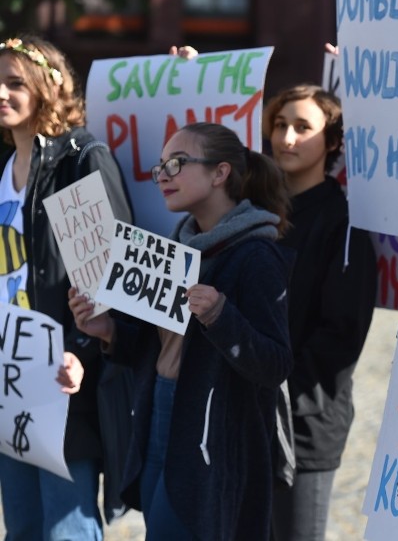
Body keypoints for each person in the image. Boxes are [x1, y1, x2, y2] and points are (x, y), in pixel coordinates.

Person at [68, 122, 294, 539]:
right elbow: (161, 348)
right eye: (159, 168)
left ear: (220, 172)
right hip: (159, 418)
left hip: (212, 438)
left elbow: (275, 365)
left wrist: (221, 316)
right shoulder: (176, 250)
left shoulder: (257, 255)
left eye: (177, 163)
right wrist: (108, 332)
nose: (163, 176)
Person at [0, 34, 134, 540]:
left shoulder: (78, 158)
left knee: (65, 529)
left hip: (62, 375)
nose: (1, 93)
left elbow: (109, 273)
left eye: (15, 82)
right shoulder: (2, 166)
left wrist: (85, 348)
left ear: (49, 86)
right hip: (9, 377)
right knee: (23, 530)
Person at [262, 84, 377, 541]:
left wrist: (275, 384)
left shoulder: (343, 224)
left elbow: (341, 337)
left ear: (332, 142)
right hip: (249, 415)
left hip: (304, 423)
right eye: (280, 124)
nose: (287, 138)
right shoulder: (255, 211)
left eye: (302, 127)